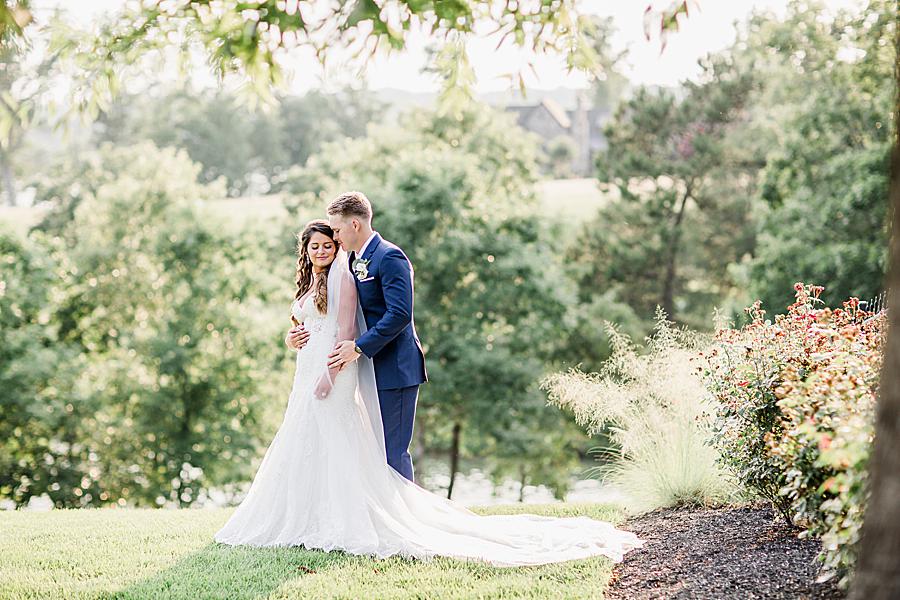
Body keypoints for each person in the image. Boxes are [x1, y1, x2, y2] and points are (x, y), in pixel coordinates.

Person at [213, 213, 644, 567]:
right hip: (314, 370)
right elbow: (308, 322)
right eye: (319, 243)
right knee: (325, 446)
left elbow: (392, 316)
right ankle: (309, 516)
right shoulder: (338, 267)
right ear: (305, 250)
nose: (329, 245)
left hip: (370, 368)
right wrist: (294, 337)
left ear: (353, 226)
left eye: (335, 236)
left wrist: (347, 357)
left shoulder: (380, 259)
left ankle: (404, 525)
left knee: (388, 451)